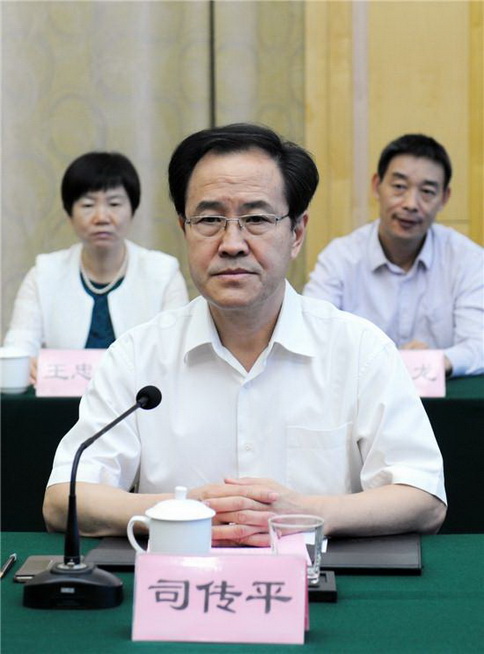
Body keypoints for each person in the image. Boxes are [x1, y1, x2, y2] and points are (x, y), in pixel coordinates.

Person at [43, 124, 446, 546]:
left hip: (319, 580)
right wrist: (183, 512)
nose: (232, 243)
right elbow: (62, 499)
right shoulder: (137, 355)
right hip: (180, 580)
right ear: (184, 230)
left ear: (296, 234)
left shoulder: (360, 350)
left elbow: (424, 497)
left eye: (256, 219)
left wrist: (307, 513)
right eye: (210, 220)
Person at [304, 134, 484, 377]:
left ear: (444, 198)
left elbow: (478, 344)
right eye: (399, 187)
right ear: (376, 186)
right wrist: (389, 359)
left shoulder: (468, 260)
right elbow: (313, 333)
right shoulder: (340, 258)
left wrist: (436, 361)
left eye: (427, 191)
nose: (411, 204)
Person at [3, 151, 189, 379]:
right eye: (88, 205)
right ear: (69, 214)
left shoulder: (163, 272)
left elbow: (177, 353)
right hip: (61, 400)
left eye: (114, 203)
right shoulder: (44, 274)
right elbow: (19, 347)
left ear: (133, 210)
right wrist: (26, 366)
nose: (101, 217)